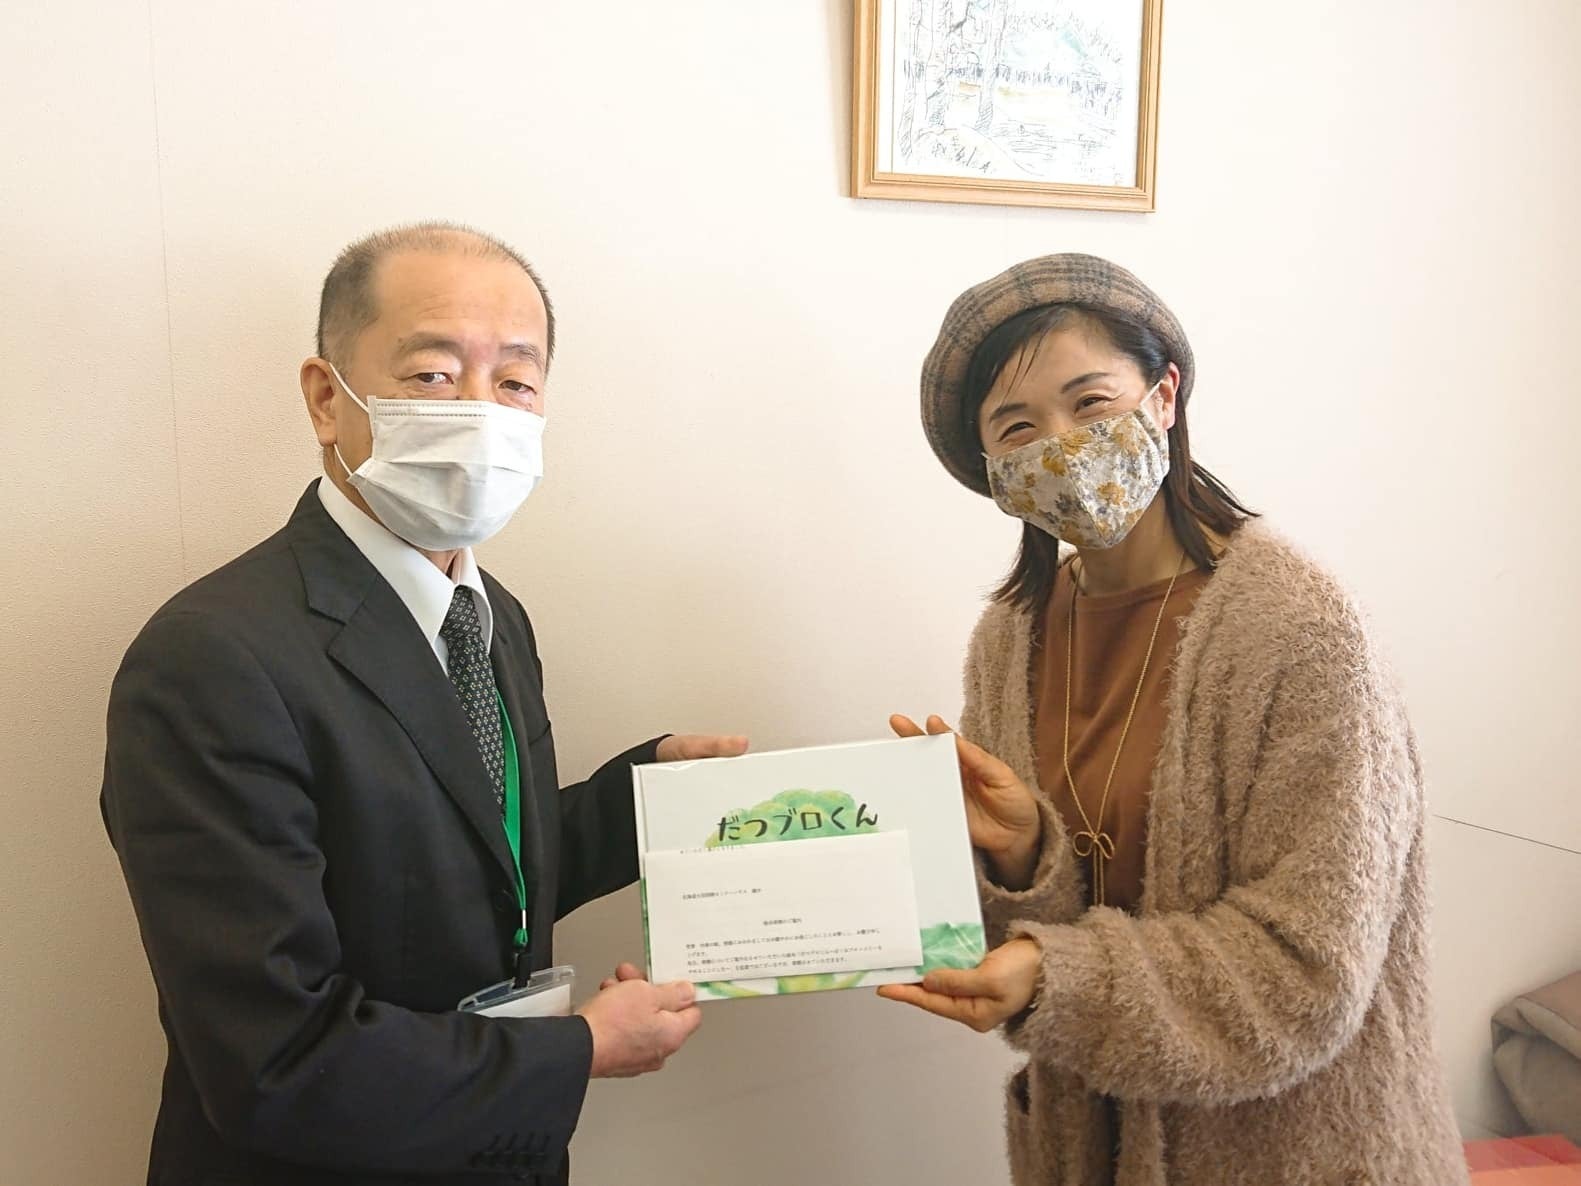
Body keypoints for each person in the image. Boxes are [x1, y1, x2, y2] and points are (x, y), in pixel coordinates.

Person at [101, 222, 746, 1186]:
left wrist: (644, 799)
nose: (482, 411)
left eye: (515, 381)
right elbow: (275, 1061)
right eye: (435, 374)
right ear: (327, 399)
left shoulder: (491, 613)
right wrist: (579, 1049)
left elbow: (464, 863)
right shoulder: (211, 658)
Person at [880, 254, 1467, 1185]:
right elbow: (1029, 923)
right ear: (992, 470)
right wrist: (1023, 856)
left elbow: (1303, 972)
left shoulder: (1300, 629)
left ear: (1162, 397)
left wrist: (1055, 976)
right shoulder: (1010, 639)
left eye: (1090, 402)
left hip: (1297, 1155)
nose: (1062, 446)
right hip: (1088, 1145)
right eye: (1018, 427)